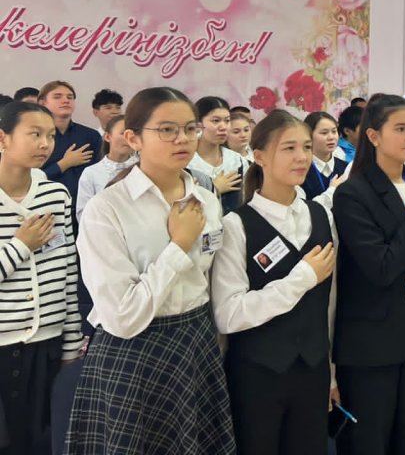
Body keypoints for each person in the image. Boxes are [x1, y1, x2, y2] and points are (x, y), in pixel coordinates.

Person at [66, 87, 234, 453]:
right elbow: (122, 315)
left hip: (195, 343)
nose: (183, 139)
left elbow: (207, 281)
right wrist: (178, 246)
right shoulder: (107, 209)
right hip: (134, 352)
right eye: (167, 130)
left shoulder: (206, 200)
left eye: (190, 129)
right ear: (133, 138)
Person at [212, 110, 338, 454]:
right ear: (260, 156)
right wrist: (301, 279)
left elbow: (330, 302)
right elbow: (228, 314)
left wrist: (331, 372)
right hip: (256, 374)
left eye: (306, 147)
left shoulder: (321, 215)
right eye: (289, 148)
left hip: (312, 369)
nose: (302, 157)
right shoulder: (236, 225)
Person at [333, 94, 405, 455]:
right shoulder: (352, 193)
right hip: (372, 345)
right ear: (373, 136)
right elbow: (380, 267)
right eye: (399, 129)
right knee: (369, 443)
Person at [0, 101, 84, 455]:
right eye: (34, 134)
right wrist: (21, 245)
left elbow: (67, 270)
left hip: (48, 343)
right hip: (4, 345)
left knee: (45, 442)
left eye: (49, 136)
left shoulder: (55, 194)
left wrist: (71, 343)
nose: (45, 144)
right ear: (3, 138)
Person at [38, 81, 101, 231]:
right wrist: (64, 164)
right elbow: (29, 178)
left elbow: (99, 174)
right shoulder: (37, 136)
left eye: (70, 97)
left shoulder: (90, 135)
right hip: (46, 210)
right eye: (57, 97)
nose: (65, 100)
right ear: (42, 103)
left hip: (85, 210)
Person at [190, 96, 247, 213]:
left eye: (227, 121)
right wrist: (215, 188)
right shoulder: (186, 163)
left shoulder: (237, 161)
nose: (223, 127)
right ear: (198, 124)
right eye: (216, 121)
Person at [77, 115, 138, 222]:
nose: (129, 138)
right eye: (123, 133)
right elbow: (83, 214)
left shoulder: (143, 168)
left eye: (133, 134)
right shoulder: (91, 173)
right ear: (108, 137)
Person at [301, 112, 348, 210]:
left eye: (334, 131)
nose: (331, 137)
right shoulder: (301, 170)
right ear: (309, 136)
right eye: (324, 133)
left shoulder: (346, 168)